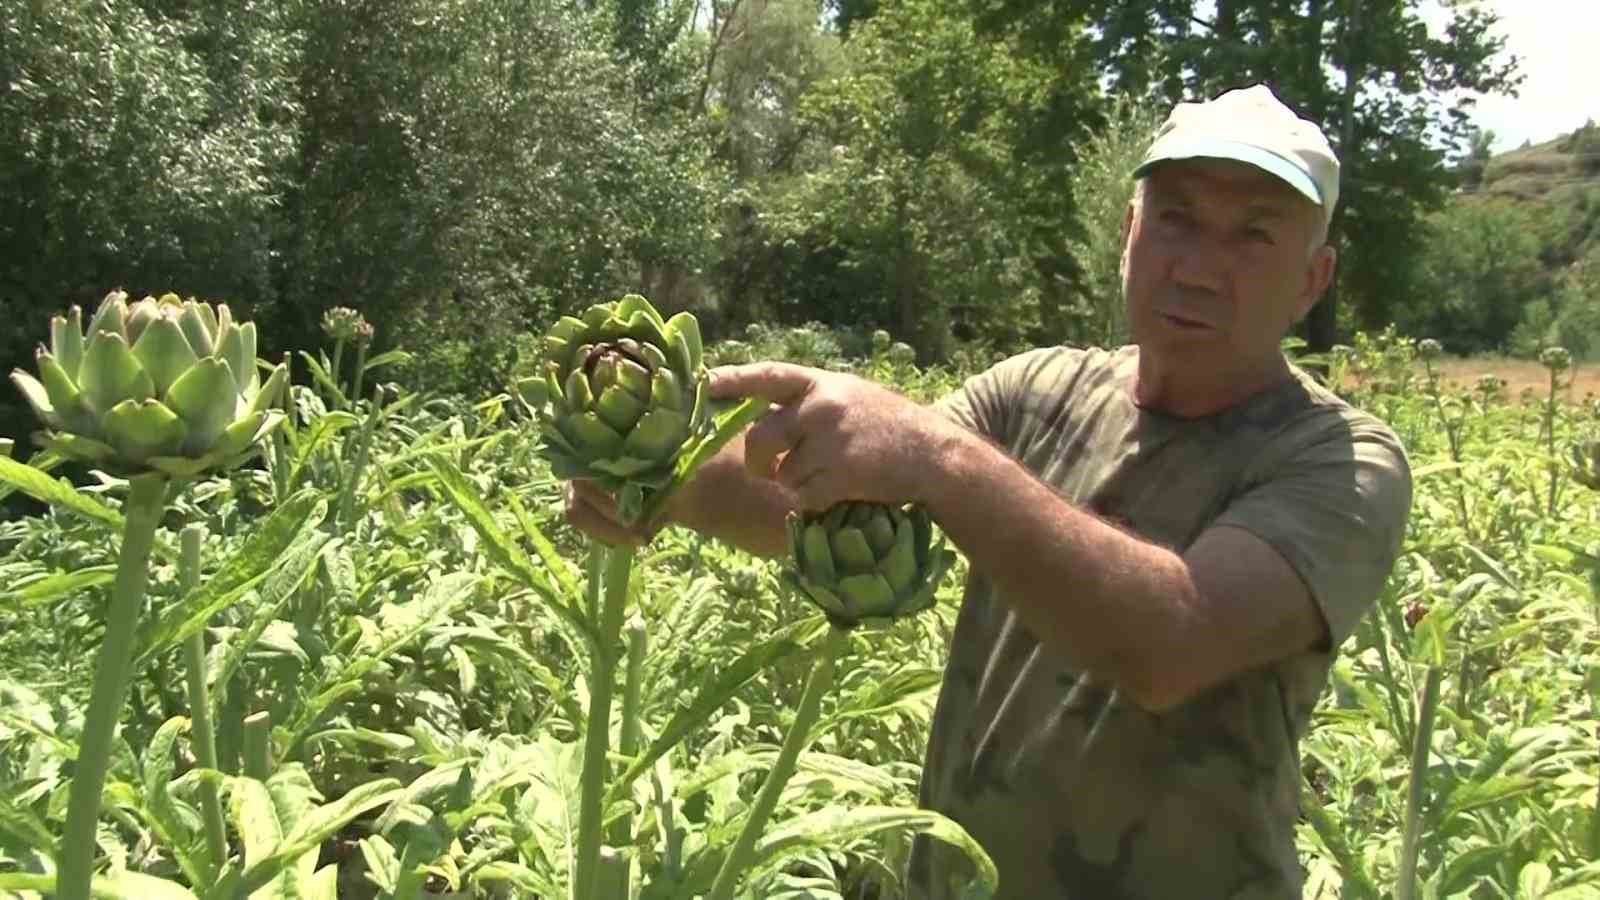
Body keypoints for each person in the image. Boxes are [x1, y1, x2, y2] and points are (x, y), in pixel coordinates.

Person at [566, 83, 1413, 899]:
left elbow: (1172, 644)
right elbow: (821, 511)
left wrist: (937, 454)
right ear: (1128, 233)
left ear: (1313, 277)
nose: (1198, 268)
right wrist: (653, 472)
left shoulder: (1340, 461)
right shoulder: (1036, 392)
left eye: (1253, 237)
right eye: (1176, 220)